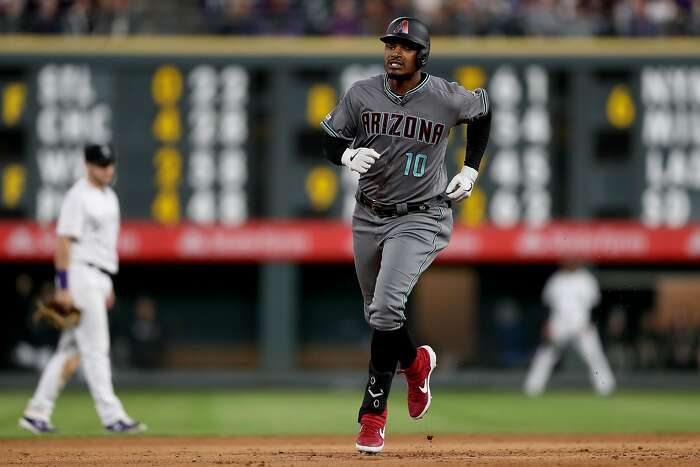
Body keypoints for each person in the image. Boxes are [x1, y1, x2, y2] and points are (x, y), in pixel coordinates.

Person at [321, 16, 491, 454]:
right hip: (368, 214)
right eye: (390, 44)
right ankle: (416, 365)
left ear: (422, 55)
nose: (394, 51)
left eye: (405, 45)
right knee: (377, 315)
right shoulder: (361, 93)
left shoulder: (444, 96)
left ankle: (372, 416)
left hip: (421, 215)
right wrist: (345, 154)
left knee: (384, 310)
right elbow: (327, 137)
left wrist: (471, 168)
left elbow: (482, 111)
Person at [19, 144, 146, 434]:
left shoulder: (110, 197)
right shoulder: (78, 196)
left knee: (69, 351)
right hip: (80, 274)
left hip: (98, 275)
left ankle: (37, 411)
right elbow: (63, 242)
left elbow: (103, 246)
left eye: (110, 164)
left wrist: (107, 282)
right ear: (87, 165)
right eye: (101, 164)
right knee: (96, 348)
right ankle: (111, 415)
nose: (107, 169)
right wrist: (63, 286)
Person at [523, 260, 616, 397]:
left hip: (581, 324)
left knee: (593, 355)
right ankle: (532, 388)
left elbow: (595, 305)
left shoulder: (586, 279)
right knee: (545, 356)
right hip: (559, 324)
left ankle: (606, 387)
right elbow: (548, 306)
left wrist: (591, 322)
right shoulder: (556, 279)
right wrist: (547, 324)